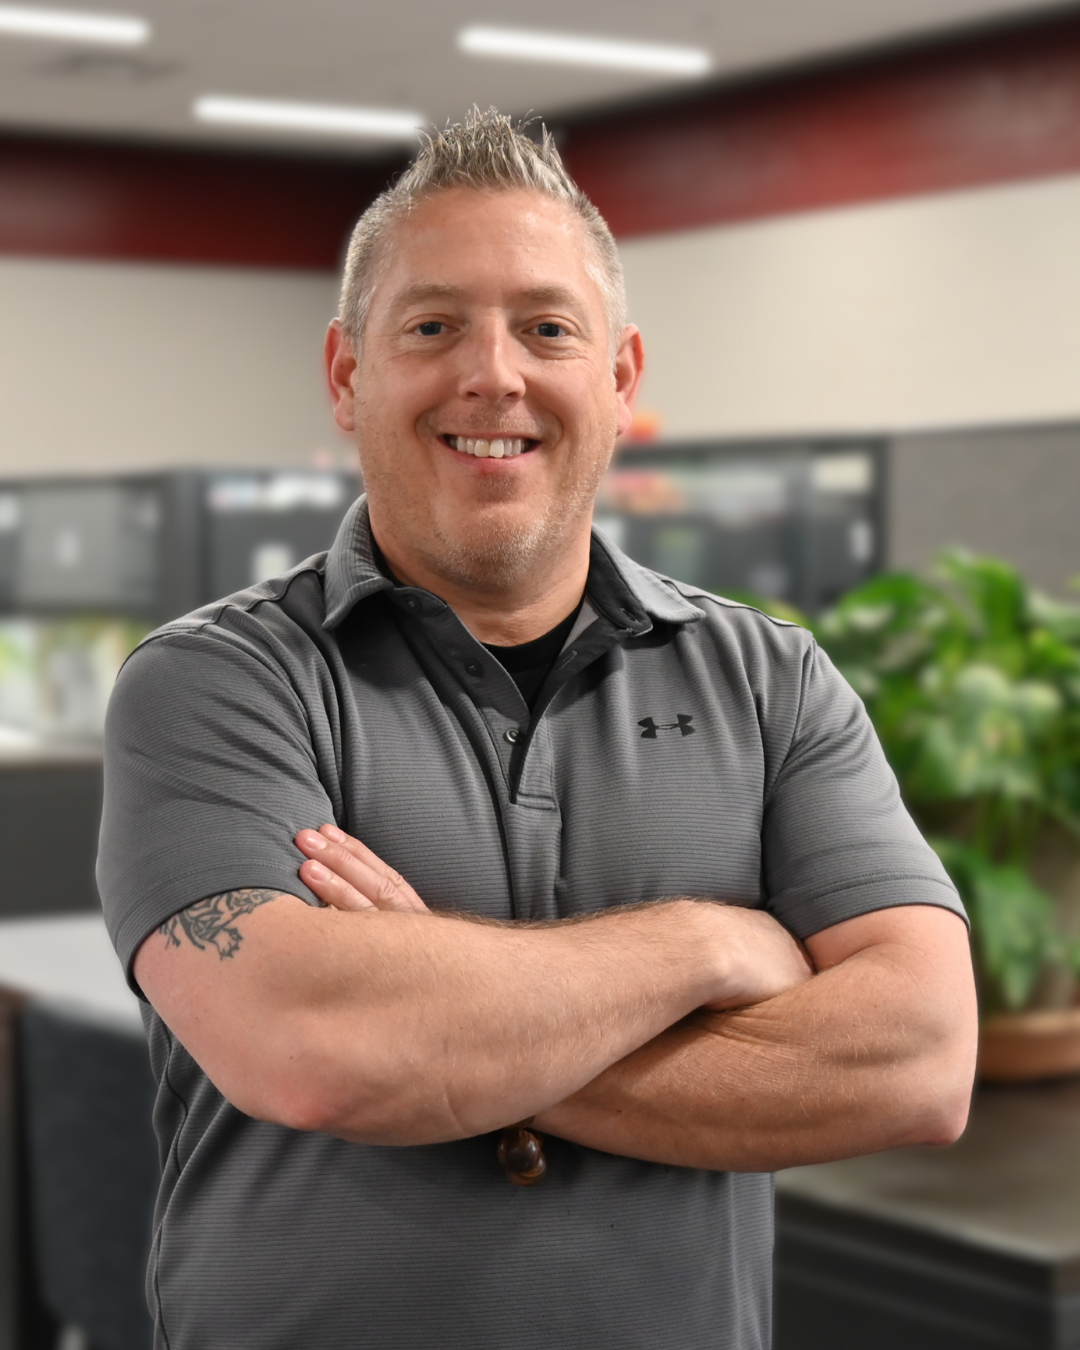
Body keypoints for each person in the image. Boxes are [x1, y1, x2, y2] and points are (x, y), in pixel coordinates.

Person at [98, 109, 977, 1350]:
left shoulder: (772, 681)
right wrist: (705, 945)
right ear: (349, 376)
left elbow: (921, 1061)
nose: (494, 376)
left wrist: (452, 1035)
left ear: (618, 379)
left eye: (546, 329)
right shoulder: (218, 683)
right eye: (433, 326)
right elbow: (314, 1047)